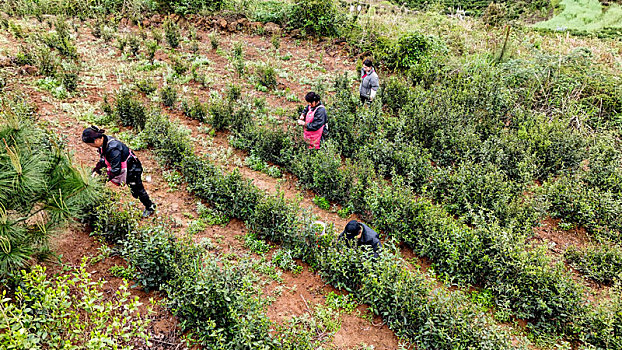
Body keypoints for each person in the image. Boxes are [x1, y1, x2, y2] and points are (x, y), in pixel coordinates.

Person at [82, 126, 156, 218]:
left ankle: (150, 207)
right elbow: (103, 160)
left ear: (96, 140)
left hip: (133, 169)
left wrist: (101, 180)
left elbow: (116, 170)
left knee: (137, 189)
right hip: (127, 167)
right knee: (134, 190)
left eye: (90, 144)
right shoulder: (104, 143)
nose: (91, 147)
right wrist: (95, 171)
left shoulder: (113, 148)